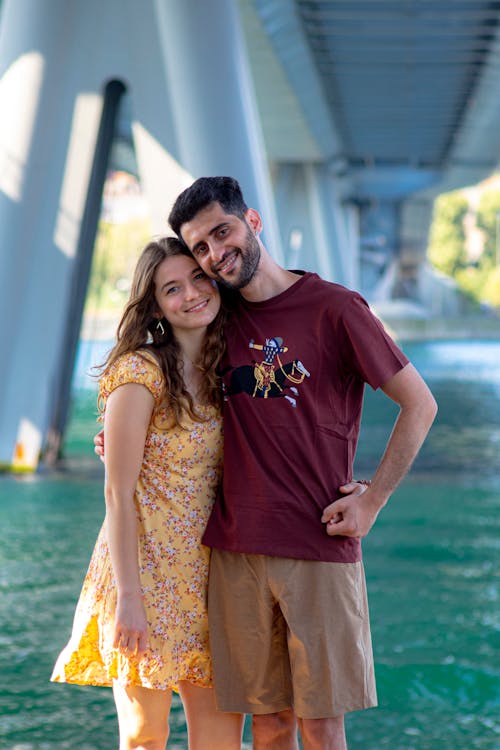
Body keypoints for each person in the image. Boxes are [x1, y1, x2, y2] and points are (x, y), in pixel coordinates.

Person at [165, 176, 438, 750]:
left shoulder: (336, 309)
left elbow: (419, 404)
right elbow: (166, 382)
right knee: (268, 726)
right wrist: (120, 431)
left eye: (223, 231)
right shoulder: (216, 318)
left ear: (253, 221)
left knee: (322, 726)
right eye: (201, 248)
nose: (216, 254)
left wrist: (372, 501)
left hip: (319, 545)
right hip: (236, 551)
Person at [51, 237, 243, 750]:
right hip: (144, 575)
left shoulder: (231, 371)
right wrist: (129, 602)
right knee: (143, 737)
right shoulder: (139, 372)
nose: (191, 295)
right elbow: (117, 493)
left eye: (198, 278)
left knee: (221, 739)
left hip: (214, 578)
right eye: (171, 289)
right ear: (155, 305)